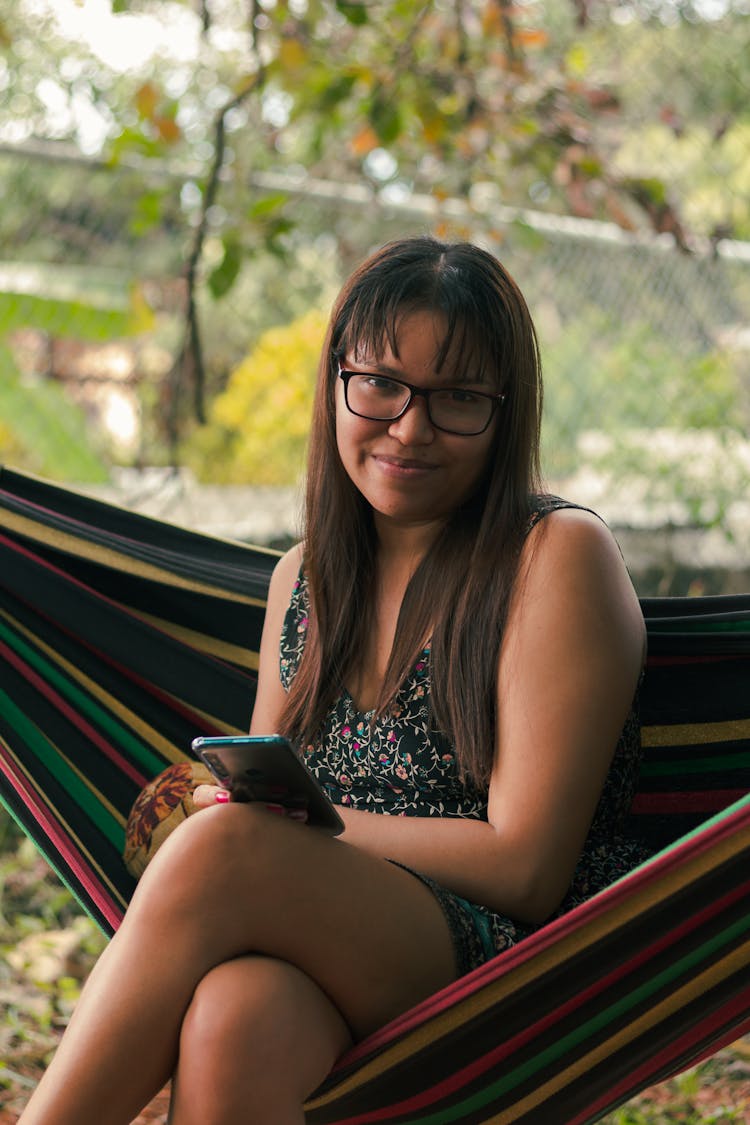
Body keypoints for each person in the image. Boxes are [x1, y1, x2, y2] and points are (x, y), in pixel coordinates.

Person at [19, 236, 648, 1125]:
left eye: (458, 398)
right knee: (237, 1017)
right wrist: (259, 818)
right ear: (337, 383)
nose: (411, 427)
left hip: (510, 973)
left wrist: (301, 827)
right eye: (382, 384)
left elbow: (527, 864)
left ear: (504, 416)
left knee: (224, 848)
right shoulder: (305, 576)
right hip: (339, 939)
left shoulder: (553, 557)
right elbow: (264, 778)